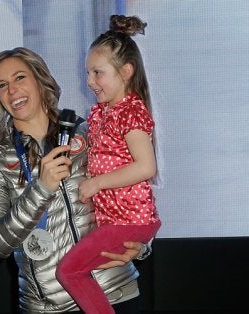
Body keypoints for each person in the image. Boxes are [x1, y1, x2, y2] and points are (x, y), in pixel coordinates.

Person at [0, 47, 151, 314]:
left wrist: (141, 247)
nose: (12, 90)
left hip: (115, 294)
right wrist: (40, 189)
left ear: (40, 79)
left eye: (20, 77)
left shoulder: (91, 132)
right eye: (2, 85)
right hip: (48, 307)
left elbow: (134, 195)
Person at [55, 15, 161, 314]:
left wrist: (97, 182)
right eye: (87, 72)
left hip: (130, 221)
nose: (89, 81)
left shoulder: (131, 112)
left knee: (69, 271)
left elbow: (146, 167)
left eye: (97, 72)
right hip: (117, 221)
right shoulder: (102, 113)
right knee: (73, 269)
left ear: (126, 72)